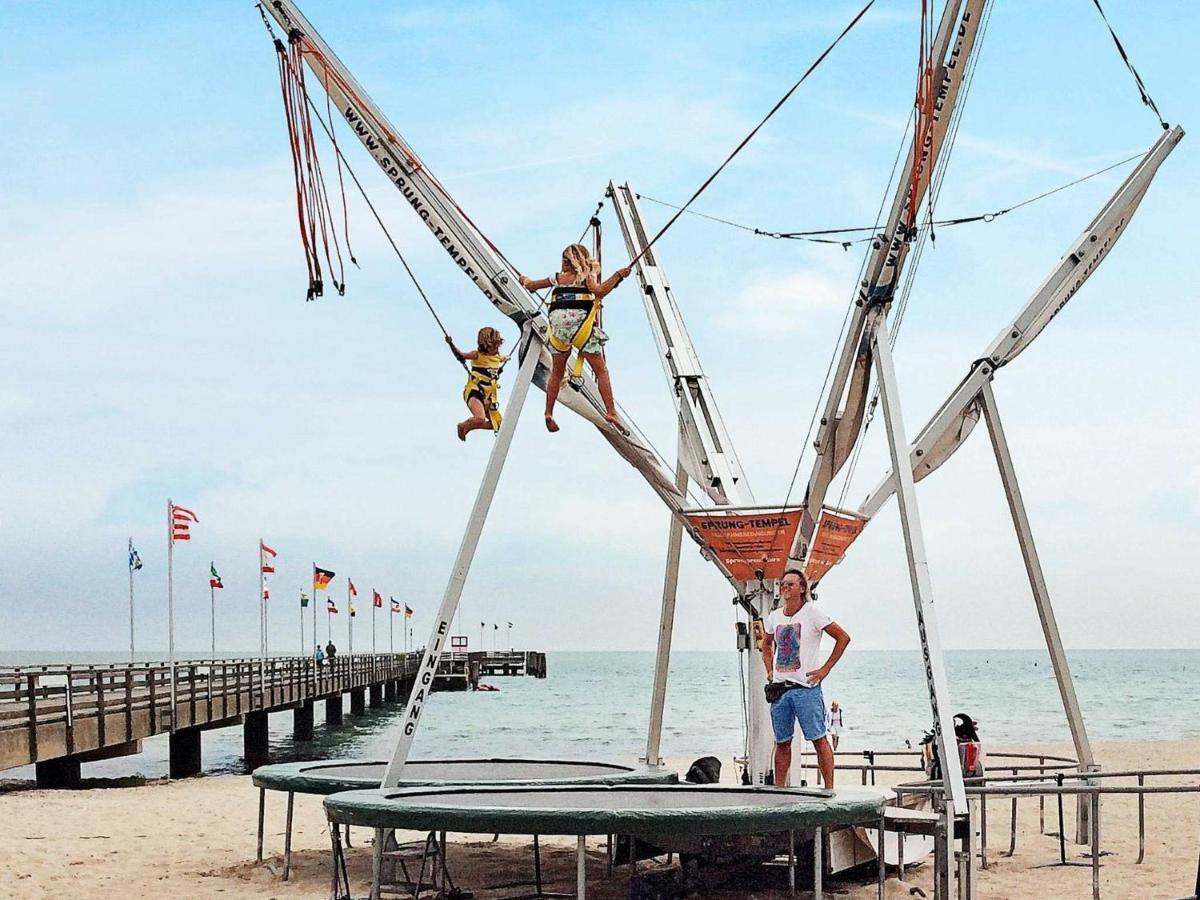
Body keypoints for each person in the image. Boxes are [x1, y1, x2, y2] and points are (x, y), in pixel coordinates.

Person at [518, 244, 632, 434]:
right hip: (580, 329)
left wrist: (524, 279)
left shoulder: (558, 278)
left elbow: (531, 286)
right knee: (601, 370)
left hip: (559, 331)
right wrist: (618, 276)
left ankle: (549, 412)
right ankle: (611, 411)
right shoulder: (585, 277)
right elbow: (600, 291)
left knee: (557, 371)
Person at [760, 569, 851, 789]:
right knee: (782, 742)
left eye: (790, 584)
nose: (785, 588)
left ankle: (829, 788)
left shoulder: (812, 613)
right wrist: (770, 671)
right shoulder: (775, 616)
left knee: (818, 739)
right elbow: (766, 643)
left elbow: (843, 637)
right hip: (781, 688)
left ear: (802, 588)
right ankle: (779, 789)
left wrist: (825, 669)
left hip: (806, 687)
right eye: (783, 584)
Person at [445, 327, 509, 441]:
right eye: (494, 346)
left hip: (488, 397)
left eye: (497, 345)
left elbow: (504, 358)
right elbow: (460, 355)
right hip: (475, 392)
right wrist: (451, 344)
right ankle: (462, 426)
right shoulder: (477, 355)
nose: (496, 348)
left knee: (500, 425)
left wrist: (508, 357)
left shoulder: (497, 358)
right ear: (486, 346)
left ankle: (469, 427)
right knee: (480, 418)